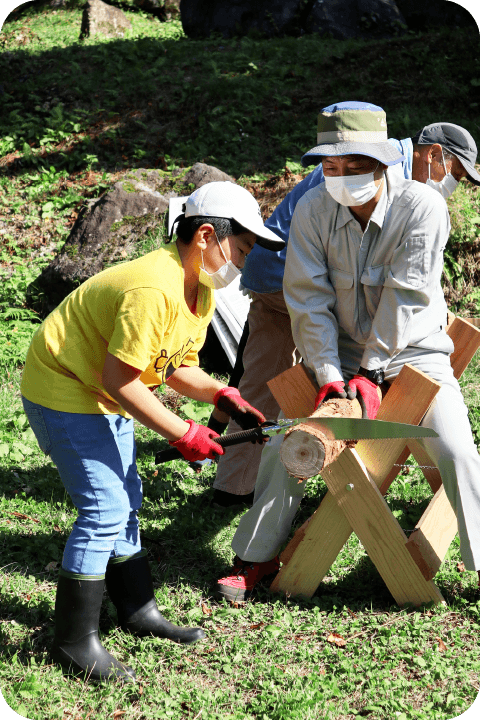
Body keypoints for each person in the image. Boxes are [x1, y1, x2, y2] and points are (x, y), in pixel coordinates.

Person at [214, 101, 480, 602]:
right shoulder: (315, 210)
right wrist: (332, 375)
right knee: (285, 446)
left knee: (458, 450)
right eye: (330, 167)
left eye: (353, 167)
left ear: (381, 163)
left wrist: (373, 370)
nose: (340, 177)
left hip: (414, 355)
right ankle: (256, 557)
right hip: (338, 354)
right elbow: (308, 302)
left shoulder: (423, 207)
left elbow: (407, 294)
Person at [20, 181, 284, 683]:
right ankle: (72, 641)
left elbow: (175, 366)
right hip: (64, 386)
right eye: (242, 250)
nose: (243, 264)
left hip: (102, 386)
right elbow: (122, 381)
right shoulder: (152, 288)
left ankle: (137, 610)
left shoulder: (199, 290)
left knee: (128, 496)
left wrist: (219, 396)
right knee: (103, 508)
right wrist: (184, 433)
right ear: (206, 236)